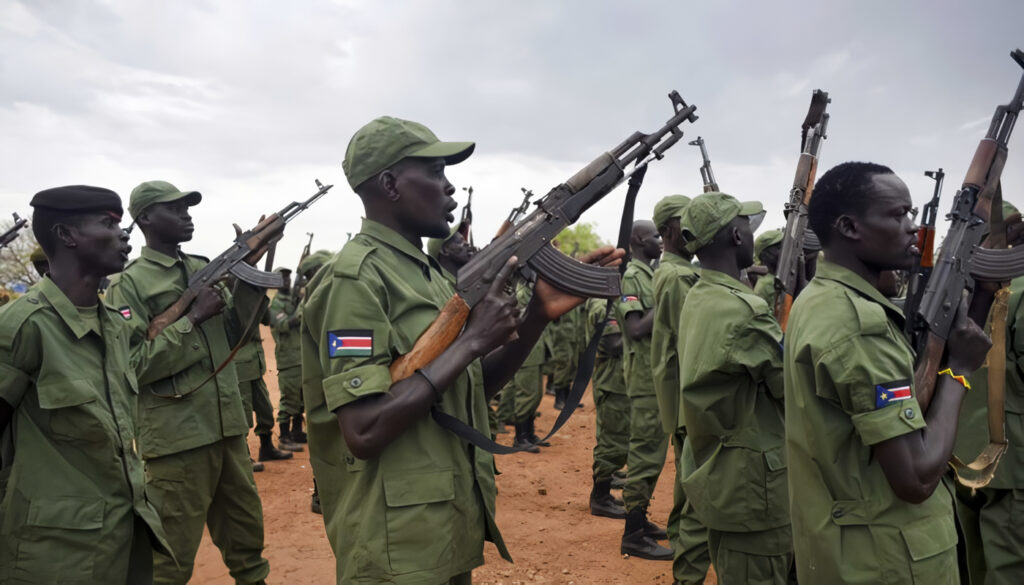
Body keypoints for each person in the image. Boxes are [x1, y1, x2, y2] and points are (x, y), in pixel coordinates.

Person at [302, 116, 621, 584]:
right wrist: (471, 340)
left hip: (441, 525)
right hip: (394, 544)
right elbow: (363, 429)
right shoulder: (355, 279)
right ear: (390, 184)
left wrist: (536, 315)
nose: (449, 187)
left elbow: (467, 387)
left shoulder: (427, 275)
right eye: (434, 173)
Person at [785, 161, 991, 584]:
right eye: (897, 215)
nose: (913, 228)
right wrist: (961, 371)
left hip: (849, 550)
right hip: (887, 561)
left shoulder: (821, 298)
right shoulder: (859, 325)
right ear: (849, 226)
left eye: (912, 213)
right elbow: (915, 477)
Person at [0, 185, 172, 583]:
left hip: (121, 538)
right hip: (53, 558)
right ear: (66, 235)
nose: (123, 233)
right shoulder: (22, 327)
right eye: (108, 223)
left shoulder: (111, 323)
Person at [106, 180, 271, 585]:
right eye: (174, 209)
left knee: (248, 545)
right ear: (145, 218)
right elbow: (131, 367)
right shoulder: (128, 285)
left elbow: (238, 334)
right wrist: (191, 319)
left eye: (188, 208)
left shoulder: (201, 267)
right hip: (176, 441)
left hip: (228, 432)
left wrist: (250, 280)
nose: (186, 215)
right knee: (169, 560)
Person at [676, 193, 793, 584]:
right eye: (745, 225)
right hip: (754, 487)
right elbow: (793, 391)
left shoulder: (702, 295)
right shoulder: (744, 311)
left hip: (721, 474)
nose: (750, 231)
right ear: (735, 237)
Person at [953, 200, 1024, 585]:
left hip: (961, 452)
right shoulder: (1019, 292)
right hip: (1012, 462)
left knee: (971, 564)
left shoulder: (952, 291)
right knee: (1009, 568)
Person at [649, 194, 712, 584]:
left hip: (685, 402)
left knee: (688, 491)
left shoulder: (681, 273)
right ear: (670, 230)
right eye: (685, 222)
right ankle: (687, 573)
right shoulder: (677, 278)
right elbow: (698, 342)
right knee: (697, 499)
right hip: (692, 403)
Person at [615, 219, 672, 561]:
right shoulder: (633, 276)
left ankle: (639, 520)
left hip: (655, 376)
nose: (660, 241)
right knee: (645, 455)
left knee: (652, 452)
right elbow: (635, 327)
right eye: (654, 236)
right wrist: (666, 298)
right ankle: (633, 533)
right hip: (645, 379)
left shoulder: (649, 274)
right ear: (638, 240)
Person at [585, 296, 630, 518]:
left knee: (615, 438)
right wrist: (642, 328)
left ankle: (604, 491)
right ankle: (600, 498)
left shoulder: (608, 301)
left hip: (616, 380)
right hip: (612, 381)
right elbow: (612, 344)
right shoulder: (603, 304)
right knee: (612, 441)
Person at [752, 228, 783, 307]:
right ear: (764, 256)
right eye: (778, 248)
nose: (783, 251)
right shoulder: (763, 287)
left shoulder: (783, 276)